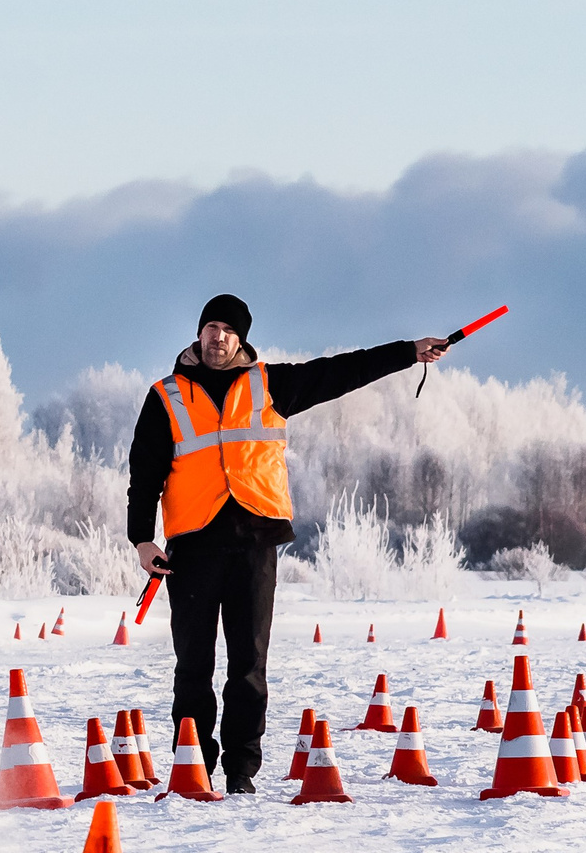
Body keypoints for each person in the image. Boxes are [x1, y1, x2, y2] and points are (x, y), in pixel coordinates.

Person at [129, 295, 452, 793]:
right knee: (193, 664)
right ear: (199, 333)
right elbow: (144, 471)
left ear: (241, 339)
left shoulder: (269, 384)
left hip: (255, 542)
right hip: (191, 547)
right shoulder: (166, 395)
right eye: (211, 327)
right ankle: (192, 765)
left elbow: (342, 371)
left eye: (228, 330)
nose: (218, 337)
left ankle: (240, 771)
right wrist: (141, 538)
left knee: (249, 664)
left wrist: (408, 351)